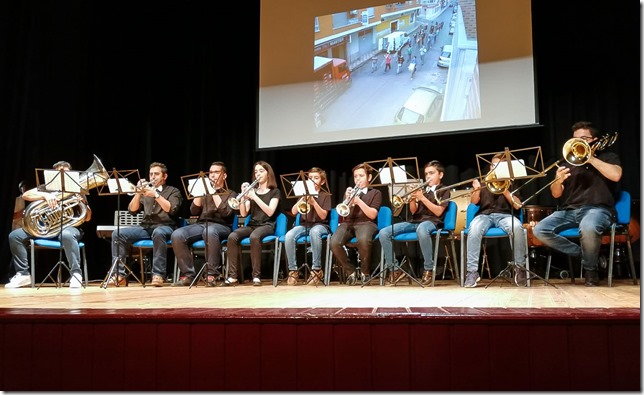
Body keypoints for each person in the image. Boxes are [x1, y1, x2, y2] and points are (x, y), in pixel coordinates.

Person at [533, 121, 622, 287]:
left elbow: (616, 175)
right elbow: (556, 193)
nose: (577, 143)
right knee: (539, 230)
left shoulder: (607, 157)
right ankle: (587, 257)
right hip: (569, 211)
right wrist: (557, 181)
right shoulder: (568, 162)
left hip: (598, 209)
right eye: (575, 139)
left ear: (594, 139)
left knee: (588, 227)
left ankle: (590, 271)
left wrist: (591, 159)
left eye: (583, 138)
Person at [6, 161, 89, 288]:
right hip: (46, 229)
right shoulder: (47, 187)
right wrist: (45, 195)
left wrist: (84, 204)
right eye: (58, 173)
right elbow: (26, 195)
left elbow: (88, 218)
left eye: (65, 173)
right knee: (15, 236)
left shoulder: (77, 190)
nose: (62, 176)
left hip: (69, 229)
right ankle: (23, 275)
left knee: (67, 235)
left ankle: (76, 274)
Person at [108, 162, 183, 287]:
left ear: (164, 177)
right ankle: (119, 275)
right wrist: (138, 193)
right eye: (151, 174)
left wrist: (156, 195)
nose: (153, 177)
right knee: (118, 233)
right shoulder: (145, 192)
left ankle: (158, 275)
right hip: (146, 227)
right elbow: (132, 210)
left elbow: (172, 209)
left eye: (156, 174)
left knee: (158, 232)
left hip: (166, 227)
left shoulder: (173, 191)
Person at [379, 160, 450, 286]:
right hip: (415, 221)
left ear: (440, 175)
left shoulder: (444, 190)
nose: (428, 176)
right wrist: (412, 198)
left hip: (432, 221)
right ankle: (394, 270)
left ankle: (428, 269)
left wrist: (422, 198)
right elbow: (413, 211)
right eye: (426, 174)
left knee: (422, 229)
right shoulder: (422, 189)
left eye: (431, 173)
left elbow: (439, 212)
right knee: (384, 232)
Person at [463, 153, 527, 288]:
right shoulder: (483, 182)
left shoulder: (512, 182)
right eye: (493, 164)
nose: (494, 167)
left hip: (505, 215)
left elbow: (517, 205)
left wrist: (505, 190)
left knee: (516, 227)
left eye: (498, 165)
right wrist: (476, 190)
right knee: (473, 229)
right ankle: (472, 272)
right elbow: (474, 203)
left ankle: (520, 268)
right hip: (484, 215)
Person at [171, 162, 236, 287]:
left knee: (210, 231)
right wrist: (199, 192)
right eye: (211, 172)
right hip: (201, 224)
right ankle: (189, 275)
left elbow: (226, 213)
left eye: (216, 172)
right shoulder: (204, 192)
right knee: (177, 234)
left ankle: (212, 274)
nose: (212, 175)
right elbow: (193, 211)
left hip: (221, 226)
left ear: (224, 176)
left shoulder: (231, 193)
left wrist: (213, 192)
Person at [223, 161, 281, 286]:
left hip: (267, 225)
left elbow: (270, 212)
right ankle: (233, 276)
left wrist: (255, 197)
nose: (257, 174)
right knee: (232, 236)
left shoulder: (274, 192)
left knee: (254, 237)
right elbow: (243, 214)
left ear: (268, 173)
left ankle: (256, 276)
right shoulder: (252, 191)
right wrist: (243, 199)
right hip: (253, 224)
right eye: (256, 171)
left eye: (261, 171)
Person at [329, 163, 382, 285]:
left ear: (369, 177)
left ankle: (365, 272)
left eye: (361, 176)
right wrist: (346, 200)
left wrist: (358, 202)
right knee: (334, 242)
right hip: (348, 223)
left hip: (367, 223)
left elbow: (372, 215)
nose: (357, 179)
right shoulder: (350, 192)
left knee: (363, 240)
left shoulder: (375, 193)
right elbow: (343, 213)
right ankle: (350, 271)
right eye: (355, 176)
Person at [284, 167, 332, 286]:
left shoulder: (325, 195)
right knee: (289, 235)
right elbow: (294, 212)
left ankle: (316, 269)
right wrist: (302, 198)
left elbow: (323, 216)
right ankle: (293, 270)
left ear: (322, 181)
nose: (313, 180)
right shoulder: (303, 194)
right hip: (305, 224)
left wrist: (314, 202)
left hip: (321, 225)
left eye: (316, 178)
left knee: (314, 232)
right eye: (310, 178)